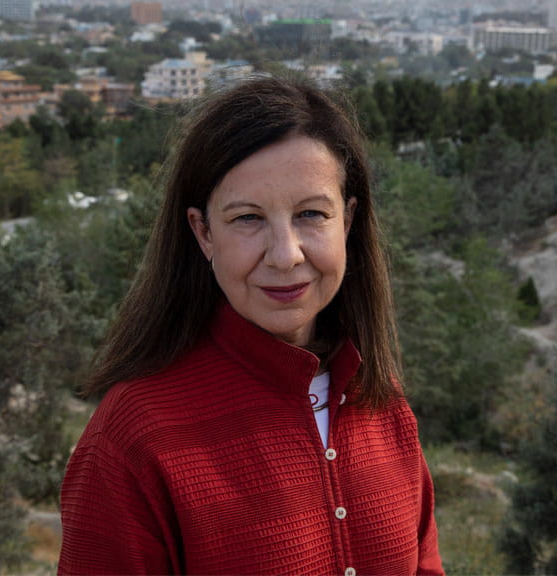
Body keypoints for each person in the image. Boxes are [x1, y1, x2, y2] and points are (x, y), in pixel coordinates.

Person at [58, 76, 444, 576]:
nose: (285, 255)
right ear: (203, 232)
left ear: (347, 222)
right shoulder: (134, 437)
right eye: (247, 219)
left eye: (311, 214)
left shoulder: (381, 400)